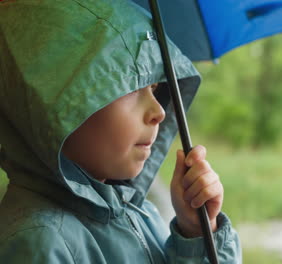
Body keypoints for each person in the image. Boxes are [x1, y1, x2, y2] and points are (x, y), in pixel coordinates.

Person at [0, 0, 241, 263]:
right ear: (54, 107)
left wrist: (195, 232)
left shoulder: (137, 212)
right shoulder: (39, 244)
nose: (159, 111)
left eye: (155, 88)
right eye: (132, 87)